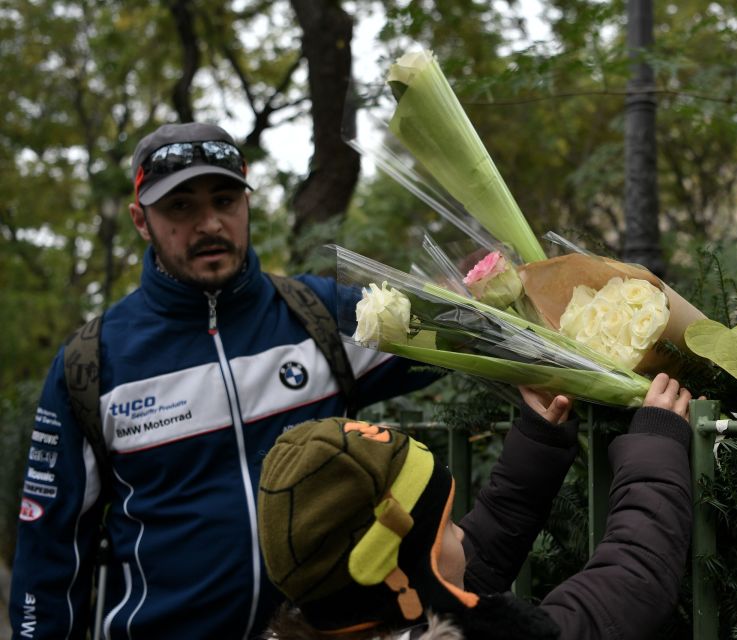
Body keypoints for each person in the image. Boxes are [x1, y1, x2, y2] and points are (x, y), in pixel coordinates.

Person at [8, 122, 439, 640]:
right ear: (141, 220)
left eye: (225, 199)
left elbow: (461, 347)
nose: (209, 223)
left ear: (246, 202)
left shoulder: (317, 316)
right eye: (180, 207)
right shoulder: (93, 363)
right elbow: (49, 554)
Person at [258, 373, 695, 639]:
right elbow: (631, 579)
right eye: (447, 525)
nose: (462, 534)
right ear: (403, 579)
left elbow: (479, 551)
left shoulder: (352, 613)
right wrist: (655, 447)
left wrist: (539, 441)